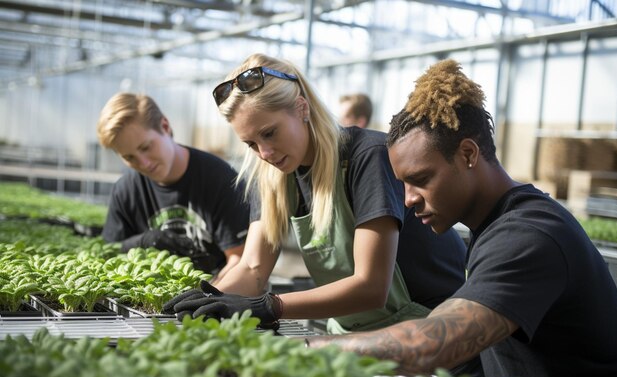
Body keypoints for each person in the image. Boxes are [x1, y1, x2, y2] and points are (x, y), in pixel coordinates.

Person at [301, 60, 617, 377]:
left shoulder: (527, 235)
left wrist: (308, 349)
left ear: (469, 154)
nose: (409, 199)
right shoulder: (495, 224)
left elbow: (432, 344)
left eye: (421, 179)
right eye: (404, 184)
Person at [163, 53, 470, 341]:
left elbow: (371, 287)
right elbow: (253, 269)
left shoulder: (367, 158)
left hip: (433, 329)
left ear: (301, 108)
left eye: (269, 133)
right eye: (251, 144)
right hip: (356, 333)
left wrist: (271, 306)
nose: (264, 153)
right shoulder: (272, 175)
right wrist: (210, 301)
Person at [96, 93, 250, 279]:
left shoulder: (220, 180)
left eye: (145, 147)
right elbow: (110, 252)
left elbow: (240, 261)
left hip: (220, 295)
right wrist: (144, 241)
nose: (143, 163)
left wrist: (208, 299)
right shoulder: (125, 190)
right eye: (129, 158)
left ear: (165, 127)